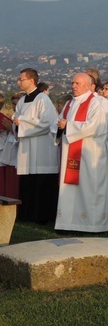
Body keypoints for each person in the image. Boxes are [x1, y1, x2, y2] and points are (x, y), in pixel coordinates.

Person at [55, 73, 108, 232]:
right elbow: (59, 123)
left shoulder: (98, 102)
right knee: (70, 188)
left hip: (91, 152)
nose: (73, 86)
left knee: (90, 186)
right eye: (72, 83)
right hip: (71, 151)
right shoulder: (69, 103)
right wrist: (60, 126)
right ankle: (68, 223)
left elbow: (97, 126)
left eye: (77, 83)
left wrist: (68, 126)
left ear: (88, 85)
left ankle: (91, 224)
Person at [12, 69, 60, 223]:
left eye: (21, 79)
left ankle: (43, 216)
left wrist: (23, 123)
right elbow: (16, 118)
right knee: (28, 183)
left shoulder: (42, 99)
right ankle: (27, 215)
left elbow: (46, 123)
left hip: (41, 149)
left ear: (31, 81)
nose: (19, 82)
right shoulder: (22, 100)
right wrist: (17, 124)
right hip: (27, 150)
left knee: (41, 182)